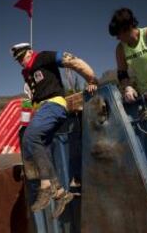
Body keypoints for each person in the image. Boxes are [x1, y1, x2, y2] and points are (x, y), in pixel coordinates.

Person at [10, 42, 98, 218]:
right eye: (17, 59)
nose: (20, 61)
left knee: (31, 138)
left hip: (54, 104)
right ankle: (60, 193)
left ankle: (46, 186)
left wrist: (91, 79)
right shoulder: (26, 73)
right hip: (42, 109)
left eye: (22, 57)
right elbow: (30, 99)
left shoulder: (43, 57)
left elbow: (73, 61)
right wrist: (26, 120)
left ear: (29, 52)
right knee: (41, 147)